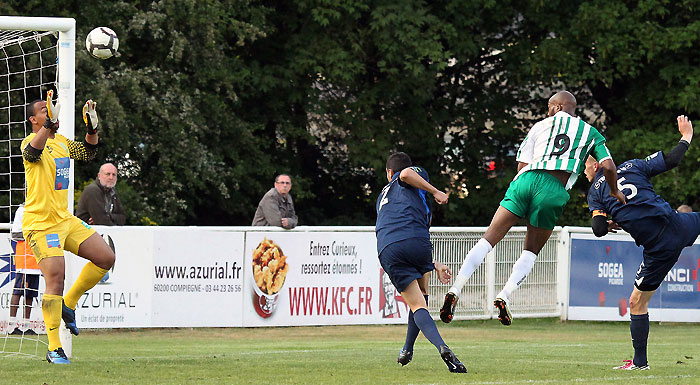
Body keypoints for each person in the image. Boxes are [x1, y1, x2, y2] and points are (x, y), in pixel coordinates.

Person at [440, 91, 626, 325]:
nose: (548, 112)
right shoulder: (590, 132)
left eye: (549, 107)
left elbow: (522, 164)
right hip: (553, 189)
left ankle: (456, 288)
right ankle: (504, 294)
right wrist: (614, 190)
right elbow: (608, 166)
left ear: (557, 107)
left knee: (488, 239)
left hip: (525, 180)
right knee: (530, 251)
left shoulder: (540, 126)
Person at [585, 115, 695, 371]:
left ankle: (640, 362)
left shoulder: (595, 192)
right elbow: (673, 159)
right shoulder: (633, 165)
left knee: (637, 303)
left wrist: (611, 222)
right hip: (678, 223)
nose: (584, 171)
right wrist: (686, 135)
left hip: (659, 248)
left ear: (593, 167)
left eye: (585, 167)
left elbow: (599, 229)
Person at [21, 90, 115, 364]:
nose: (50, 111)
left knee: (106, 257)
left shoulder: (61, 142)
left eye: (51, 107)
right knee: (56, 277)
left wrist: (92, 126)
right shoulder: (30, 141)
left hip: (64, 219)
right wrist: (48, 126)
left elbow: (88, 151)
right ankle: (53, 348)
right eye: (43, 109)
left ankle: (68, 303)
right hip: (40, 223)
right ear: (33, 120)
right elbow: (32, 153)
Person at [376, 152, 466, 373]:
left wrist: (433, 263)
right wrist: (435, 190)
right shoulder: (415, 175)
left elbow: (397, 226)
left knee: (416, 304)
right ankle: (431, 347)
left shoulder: (382, 196)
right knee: (421, 298)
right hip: (417, 242)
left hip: (388, 247)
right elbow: (406, 174)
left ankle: (409, 349)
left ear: (388, 173)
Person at [8, 203, 40, 336]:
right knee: (18, 292)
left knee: (30, 295)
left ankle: (26, 326)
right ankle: (11, 326)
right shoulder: (22, 210)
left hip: (36, 260)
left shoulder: (40, 208)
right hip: (25, 258)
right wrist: (32, 233)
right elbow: (15, 234)